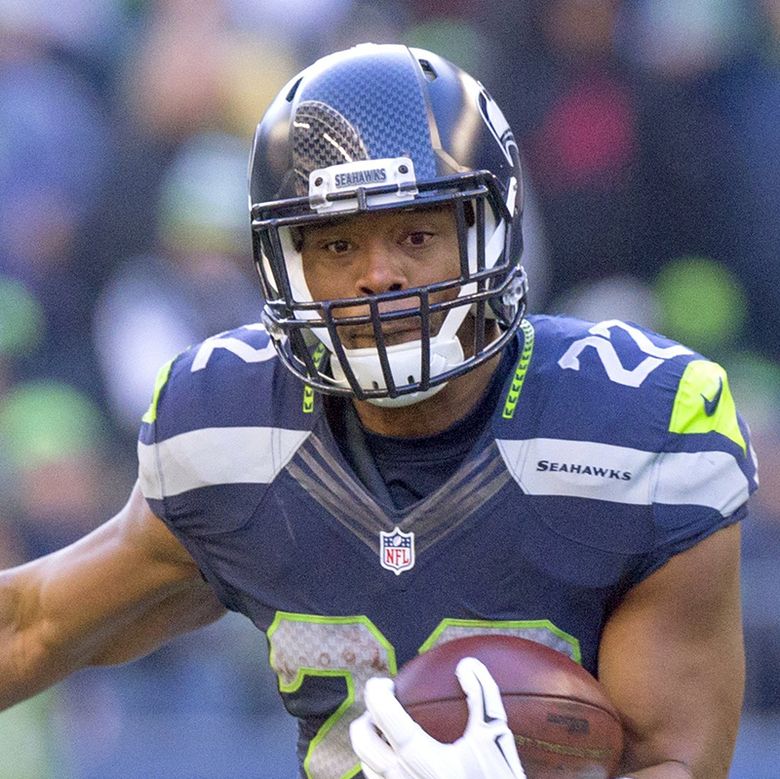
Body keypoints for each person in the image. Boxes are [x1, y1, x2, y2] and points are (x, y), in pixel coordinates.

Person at [0, 43, 758, 779]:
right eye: (335, 245)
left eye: (417, 234)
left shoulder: (636, 433)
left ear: (488, 233)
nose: (378, 276)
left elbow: (677, 758)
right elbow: (32, 627)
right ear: (281, 265)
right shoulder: (229, 430)